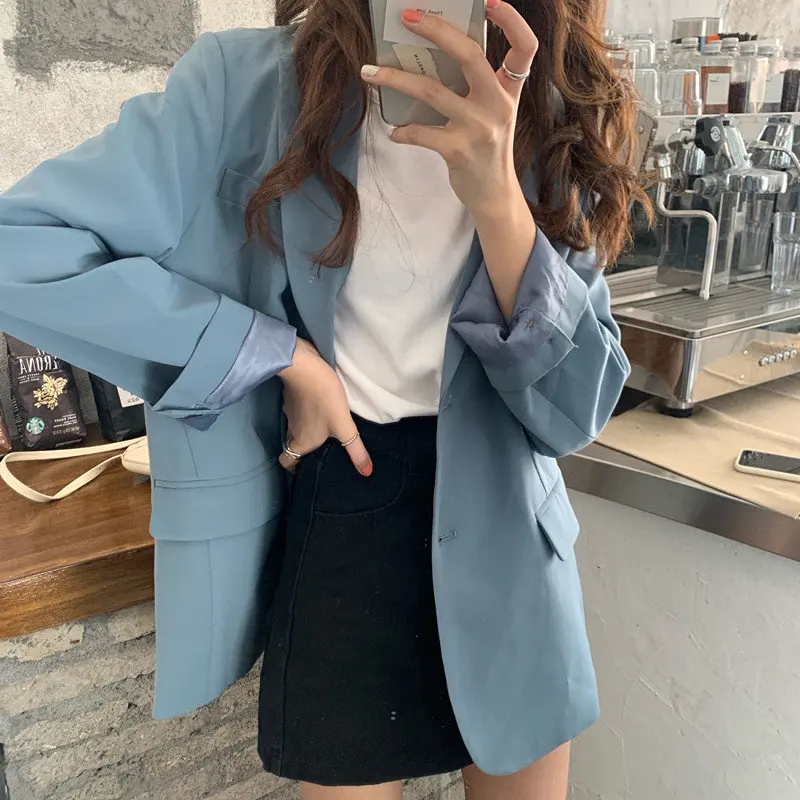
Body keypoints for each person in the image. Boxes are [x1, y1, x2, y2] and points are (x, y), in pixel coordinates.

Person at [0, 0, 648, 795]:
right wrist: (270, 354)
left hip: (510, 531)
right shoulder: (246, 88)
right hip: (347, 508)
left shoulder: (554, 101)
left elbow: (573, 412)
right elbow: (17, 246)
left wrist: (498, 201)